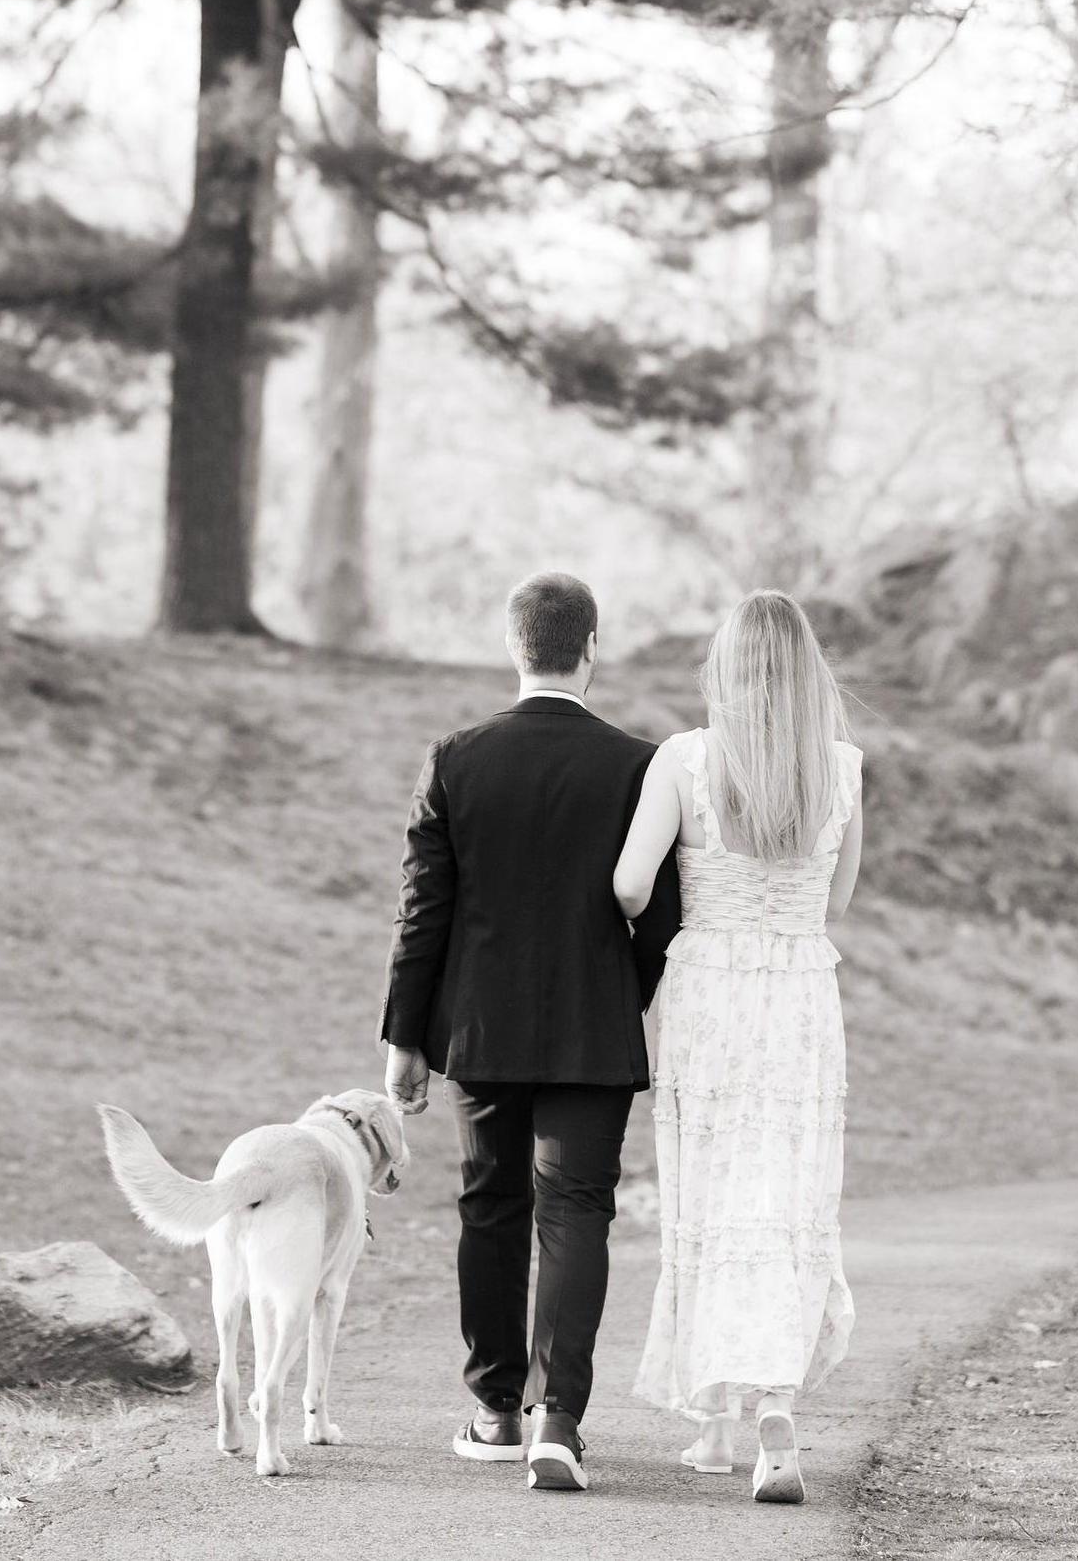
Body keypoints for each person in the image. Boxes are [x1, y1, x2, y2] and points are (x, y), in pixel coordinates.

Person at [380, 571, 681, 1494]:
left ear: (514, 648)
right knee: (577, 1209)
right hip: (594, 1030)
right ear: (591, 648)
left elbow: (422, 912)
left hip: (482, 1028)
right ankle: (560, 1420)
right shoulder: (641, 765)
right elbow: (662, 915)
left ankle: (495, 1410)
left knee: (492, 1204)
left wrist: (404, 1038)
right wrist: (622, 995)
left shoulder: (455, 759)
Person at [613, 589, 863, 1506]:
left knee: (711, 1197)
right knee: (784, 1197)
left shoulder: (685, 759)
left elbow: (630, 886)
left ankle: (724, 1421)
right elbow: (838, 900)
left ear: (725, 666)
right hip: (799, 990)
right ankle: (763, 1415)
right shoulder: (840, 767)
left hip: (709, 992)